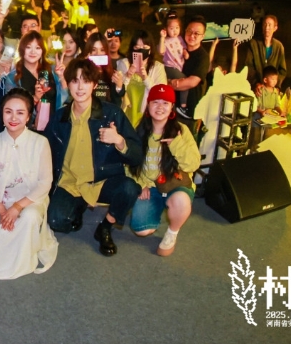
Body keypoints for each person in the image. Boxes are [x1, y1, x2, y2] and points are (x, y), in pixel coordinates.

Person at [46, 58, 143, 257]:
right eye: (75, 81)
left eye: (86, 81)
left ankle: (106, 226)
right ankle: (78, 205)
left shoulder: (111, 114)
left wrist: (119, 141)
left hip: (101, 180)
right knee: (56, 221)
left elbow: (137, 155)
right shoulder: (59, 117)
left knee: (129, 188)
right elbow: (45, 151)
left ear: (95, 85)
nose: (80, 87)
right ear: (68, 84)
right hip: (70, 182)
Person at [0, 88, 58, 281]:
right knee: (3, 229)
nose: (13, 118)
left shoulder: (40, 143)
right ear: (2, 114)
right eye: (8, 112)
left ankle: (21, 260)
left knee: (29, 217)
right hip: (1, 202)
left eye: (20, 112)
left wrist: (17, 207)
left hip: (31, 200)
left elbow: (45, 182)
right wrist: (2, 211)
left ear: (28, 116)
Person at [128, 84, 201, 257]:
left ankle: (172, 232)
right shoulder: (139, 130)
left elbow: (193, 164)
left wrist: (176, 144)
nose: (160, 107)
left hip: (174, 185)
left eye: (165, 103)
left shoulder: (181, 130)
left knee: (181, 201)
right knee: (141, 230)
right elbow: (128, 162)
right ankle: (159, 207)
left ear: (172, 107)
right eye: (155, 102)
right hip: (150, 187)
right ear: (148, 105)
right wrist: (139, 184)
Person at [118, 30, 168, 127]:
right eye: (137, 48)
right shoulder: (123, 64)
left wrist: (145, 78)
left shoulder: (158, 67)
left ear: (150, 49)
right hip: (126, 113)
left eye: (145, 48)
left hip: (147, 116)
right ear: (132, 48)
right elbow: (118, 90)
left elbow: (161, 94)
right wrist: (127, 76)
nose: (141, 51)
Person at [168, 16, 210, 119]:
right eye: (189, 31)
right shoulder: (178, 49)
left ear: (202, 36)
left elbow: (192, 82)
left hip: (188, 111)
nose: (192, 36)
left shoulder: (203, 57)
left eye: (196, 33)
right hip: (171, 106)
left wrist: (167, 83)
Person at [13, 31, 55, 129]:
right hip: (27, 128)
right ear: (22, 49)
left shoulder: (51, 70)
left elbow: (62, 98)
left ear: (42, 51)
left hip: (53, 127)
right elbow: (13, 106)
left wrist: (61, 77)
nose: (33, 52)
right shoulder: (14, 76)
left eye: (37, 48)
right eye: (28, 47)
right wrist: (35, 98)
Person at [243, 14, 286, 85]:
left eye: (269, 25)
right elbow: (248, 66)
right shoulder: (253, 44)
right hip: (256, 86)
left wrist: (276, 84)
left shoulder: (279, 46)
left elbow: (282, 70)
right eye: (265, 25)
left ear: (275, 28)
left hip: (272, 87)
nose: (267, 28)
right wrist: (256, 83)